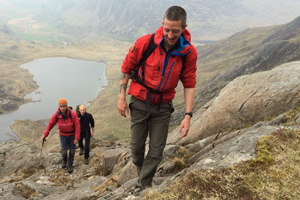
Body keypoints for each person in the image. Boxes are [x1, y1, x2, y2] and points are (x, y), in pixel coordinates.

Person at [117, 6, 197, 190]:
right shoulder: (146, 42)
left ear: (184, 27)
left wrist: (187, 115)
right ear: (162, 24)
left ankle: (143, 186)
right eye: (167, 29)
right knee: (137, 150)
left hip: (163, 106)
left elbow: (189, 83)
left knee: (156, 150)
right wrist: (122, 96)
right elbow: (127, 67)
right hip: (139, 101)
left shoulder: (188, 52)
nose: (170, 34)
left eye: (175, 31)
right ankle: (141, 171)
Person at [42, 98, 80, 173]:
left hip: (72, 135)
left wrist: (77, 138)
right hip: (63, 135)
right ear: (59, 107)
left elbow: (77, 126)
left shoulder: (72, 113)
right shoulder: (56, 114)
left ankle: (70, 165)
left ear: (66, 106)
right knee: (64, 151)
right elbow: (51, 124)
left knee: (72, 151)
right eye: (61, 107)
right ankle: (64, 160)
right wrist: (45, 134)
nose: (62, 108)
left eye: (64, 106)